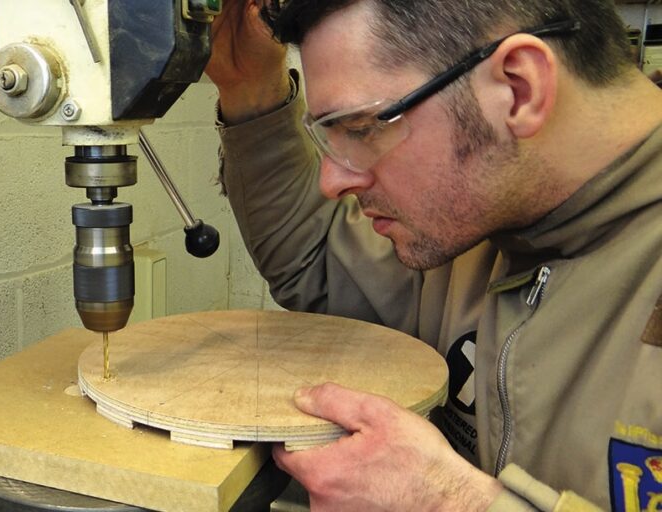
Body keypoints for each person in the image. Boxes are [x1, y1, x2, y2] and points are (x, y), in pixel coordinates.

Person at [206, 0, 662, 510]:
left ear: (518, 88)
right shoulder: (487, 224)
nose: (332, 181)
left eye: (362, 129)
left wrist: (451, 501)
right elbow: (320, 260)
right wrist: (249, 87)